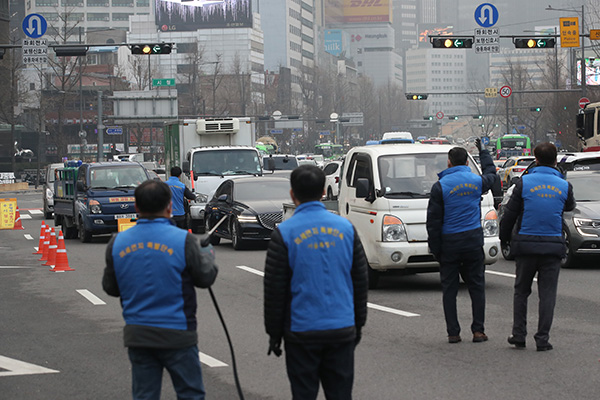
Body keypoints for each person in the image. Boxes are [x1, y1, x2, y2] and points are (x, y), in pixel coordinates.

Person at [102, 180, 218, 400]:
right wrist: (208, 255)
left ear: (136, 208)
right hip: (178, 333)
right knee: (190, 393)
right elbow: (205, 278)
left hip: (138, 335)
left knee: (145, 395)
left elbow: (110, 287)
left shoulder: (117, 243)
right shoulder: (184, 241)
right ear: (169, 207)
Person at [264, 165, 369, 400]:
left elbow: (275, 290)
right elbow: (360, 282)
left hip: (302, 332)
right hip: (341, 329)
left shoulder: (284, 233)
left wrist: (274, 333)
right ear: (323, 191)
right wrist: (358, 325)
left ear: (292, 194)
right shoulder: (346, 229)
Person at [499, 142, 575, 351]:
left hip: (526, 244)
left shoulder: (524, 183)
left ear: (536, 159)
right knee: (547, 294)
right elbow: (569, 206)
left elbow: (510, 214)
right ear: (556, 159)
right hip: (552, 245)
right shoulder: (563, 185)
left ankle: (519, 334)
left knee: (521, 291)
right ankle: (542, 339)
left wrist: (504, 238)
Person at [426, 139, 498, 344]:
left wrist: (436, 248)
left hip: (450, 242)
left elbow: (433, 221)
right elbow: (492, 175)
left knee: (449, 289)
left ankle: (453, 332)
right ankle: (478, 331)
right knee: (476, 286)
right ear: (467, 163)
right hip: (473, 240)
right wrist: (484, 154)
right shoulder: (476, 182)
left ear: (449, 163)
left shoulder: (440, 186)